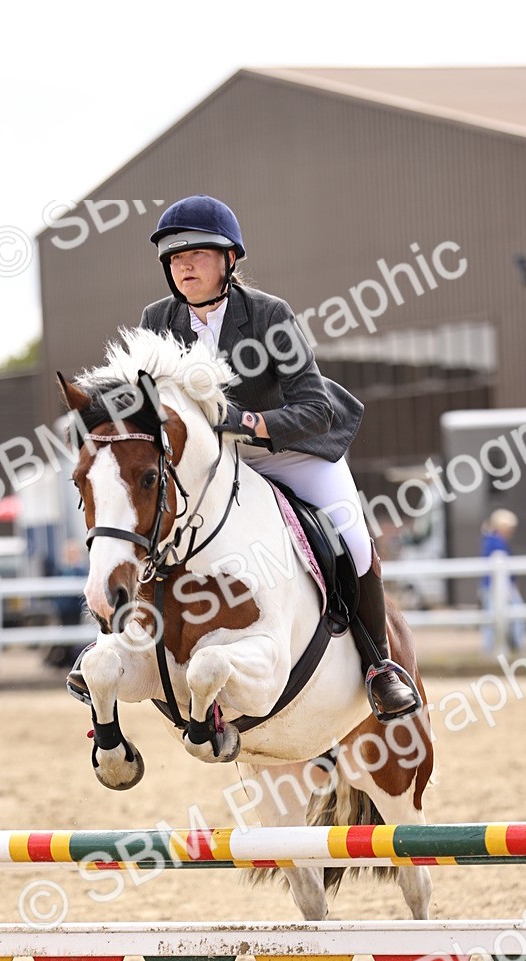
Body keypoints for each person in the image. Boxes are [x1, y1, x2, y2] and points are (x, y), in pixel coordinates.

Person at [139, 194, 421, 720]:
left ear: (229, 260)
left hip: (289, 450)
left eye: (197, 254)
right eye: (175, 258)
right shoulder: (159, 319)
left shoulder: (269, 314)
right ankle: (128, 642)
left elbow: (314, 406)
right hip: (217, 465)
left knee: (352, 537)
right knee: (147, 523)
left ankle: (380, 665)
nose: (184, 265)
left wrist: (247, 423)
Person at [479, 509, 526, 653]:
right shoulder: (496, 543)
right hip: (497, 587)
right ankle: (516, 645)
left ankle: (492, 648)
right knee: (515, 615)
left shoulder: (489, 540)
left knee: (493, 617)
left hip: (491, 586)